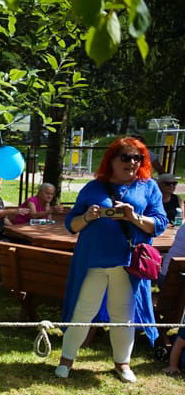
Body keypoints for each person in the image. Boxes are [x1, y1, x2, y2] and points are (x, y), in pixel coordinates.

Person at [55, 136, 168, 382]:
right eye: (126, 157)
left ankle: (122, 364)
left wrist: (133, 217)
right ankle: (66, 360)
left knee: (123, 315)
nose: (132, 162)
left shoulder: (149, 187)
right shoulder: (93, 187)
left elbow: (159, 224)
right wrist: (87, 217)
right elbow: (71, 224)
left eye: (138, 158)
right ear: (112, 160)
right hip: (92, 261)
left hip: (128, 264)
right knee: (82, 312)